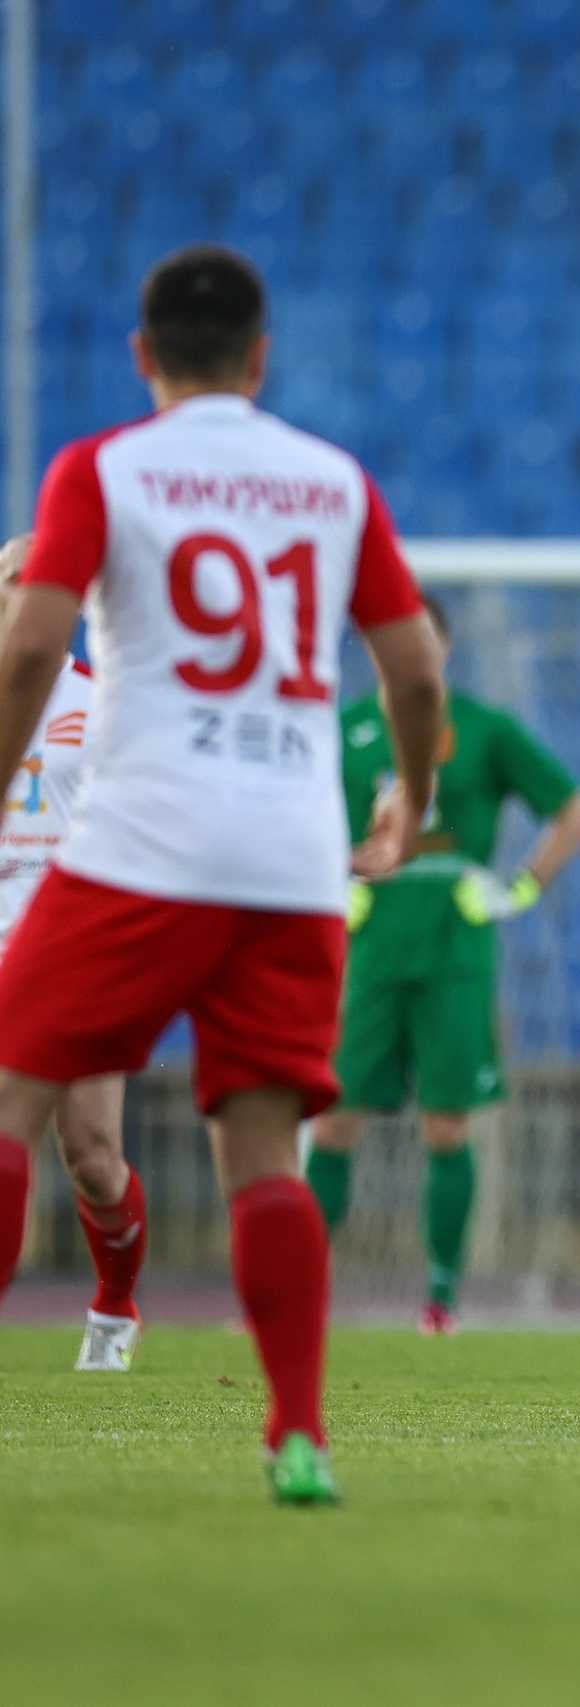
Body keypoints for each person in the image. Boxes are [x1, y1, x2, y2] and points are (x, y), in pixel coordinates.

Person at [0, 244, 445, 1505]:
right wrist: (408, 804)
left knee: (11, 1105)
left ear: (143, 358)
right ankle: (296, 1437)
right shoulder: (331, 482)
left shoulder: (102, 469)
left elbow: (35, 644)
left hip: (142, 842)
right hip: (288, 858)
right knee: (263, 1153)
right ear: (262, 358)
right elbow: (413, 672)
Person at [304, 592, 580, 1333]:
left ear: (446, 648)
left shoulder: (485, 729)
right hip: (370, 948)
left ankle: (440, 1296)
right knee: (335, 1114)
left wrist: (519, 887)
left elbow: (577, 810)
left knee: (447, 1123)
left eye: (424, 642)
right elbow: (297, 822)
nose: (410, 655)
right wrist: (333, 884)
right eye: (394, 642)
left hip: (455, 951)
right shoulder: (345, 733)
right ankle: (299, 1286)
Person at [0, 537, 148, 1371]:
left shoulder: (99, 708)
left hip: (66, 951)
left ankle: (116, 1304)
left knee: (92, 1156)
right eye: (13, 577)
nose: (26, 590)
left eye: (39, 578)